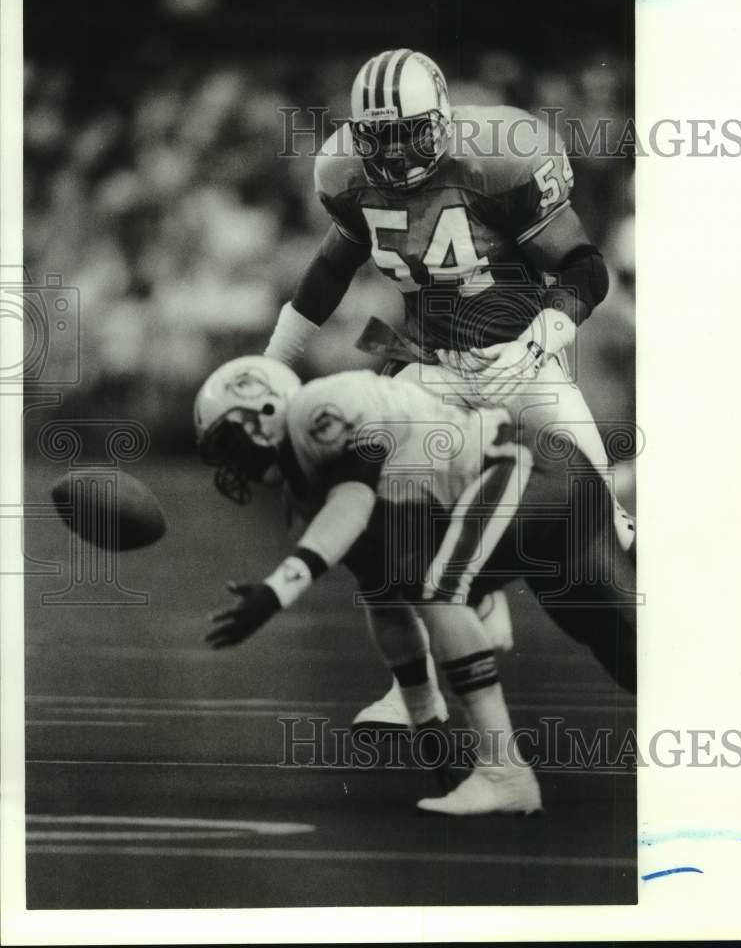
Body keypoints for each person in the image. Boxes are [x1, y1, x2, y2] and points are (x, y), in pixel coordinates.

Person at [263, 49, 634, 726]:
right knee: (391, 518)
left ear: (441, 117)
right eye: (383, 135)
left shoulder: (500, 155)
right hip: (431, 369)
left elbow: (584, 266)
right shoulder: (345, 174)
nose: (398, 150)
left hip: (520, 365)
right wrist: (273, 364)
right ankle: (420, 687)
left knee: (600, 530)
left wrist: (550, 327)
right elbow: (326, 273)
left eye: (411, 130)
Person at [194, 356, 636, 815]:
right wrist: (425, 719)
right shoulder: (304, 497)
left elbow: (355, 495)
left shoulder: (315, 408)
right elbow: (385, 601)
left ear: (264, 412)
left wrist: (276, 591)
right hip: (548, 489)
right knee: (626, 646)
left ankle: (503, 773)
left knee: (436, 588)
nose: (230, 463)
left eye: (227, 441)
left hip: (533, 471)